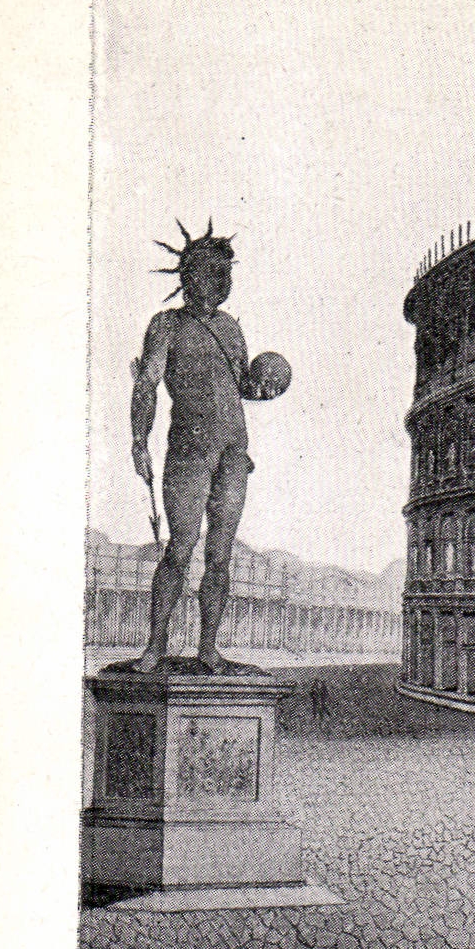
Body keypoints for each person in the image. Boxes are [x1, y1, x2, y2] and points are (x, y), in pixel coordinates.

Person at [124, 222, 285, 675]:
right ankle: (155, 648)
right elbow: (147, 386)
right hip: (190, 450)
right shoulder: (167, 325)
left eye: (227, 273)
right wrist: (139, 440)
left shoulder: (231, 329)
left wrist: (266, 385)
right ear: (189, 276)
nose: (223, 281)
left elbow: (240, 387)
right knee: (180, 549)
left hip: (234, 451)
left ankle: (208, 650)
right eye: (214, 272)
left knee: (220, 554)